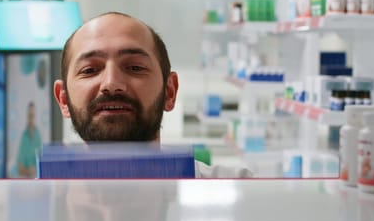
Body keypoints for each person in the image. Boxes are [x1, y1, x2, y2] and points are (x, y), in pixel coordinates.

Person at [53, 11, 252, 178]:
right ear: (63, 99)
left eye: (135, 67)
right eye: (89, 70)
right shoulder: (38, 205)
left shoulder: (238, 193)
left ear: (170, 91)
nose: (111, 84)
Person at [17, 101, 42, 178]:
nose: (31, 117)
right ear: (27, 116)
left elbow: (41, 165)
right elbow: (20, 168)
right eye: (29, 115)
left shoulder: (38, 136)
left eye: (33, 115)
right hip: (25, 180)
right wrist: (30, 171)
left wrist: (33, 171)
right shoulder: (23, 137)